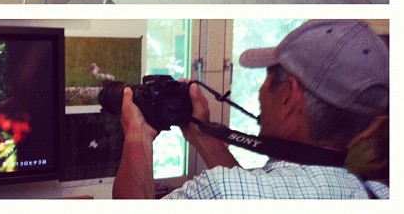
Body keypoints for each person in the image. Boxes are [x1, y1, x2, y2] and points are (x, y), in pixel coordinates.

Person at [112, 19, 389, 199]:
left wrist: (137, 135)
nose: (260, 91)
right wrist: (201, 132)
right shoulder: (379, 195)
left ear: (288, 96)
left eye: (267, 77)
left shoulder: (218, 192)